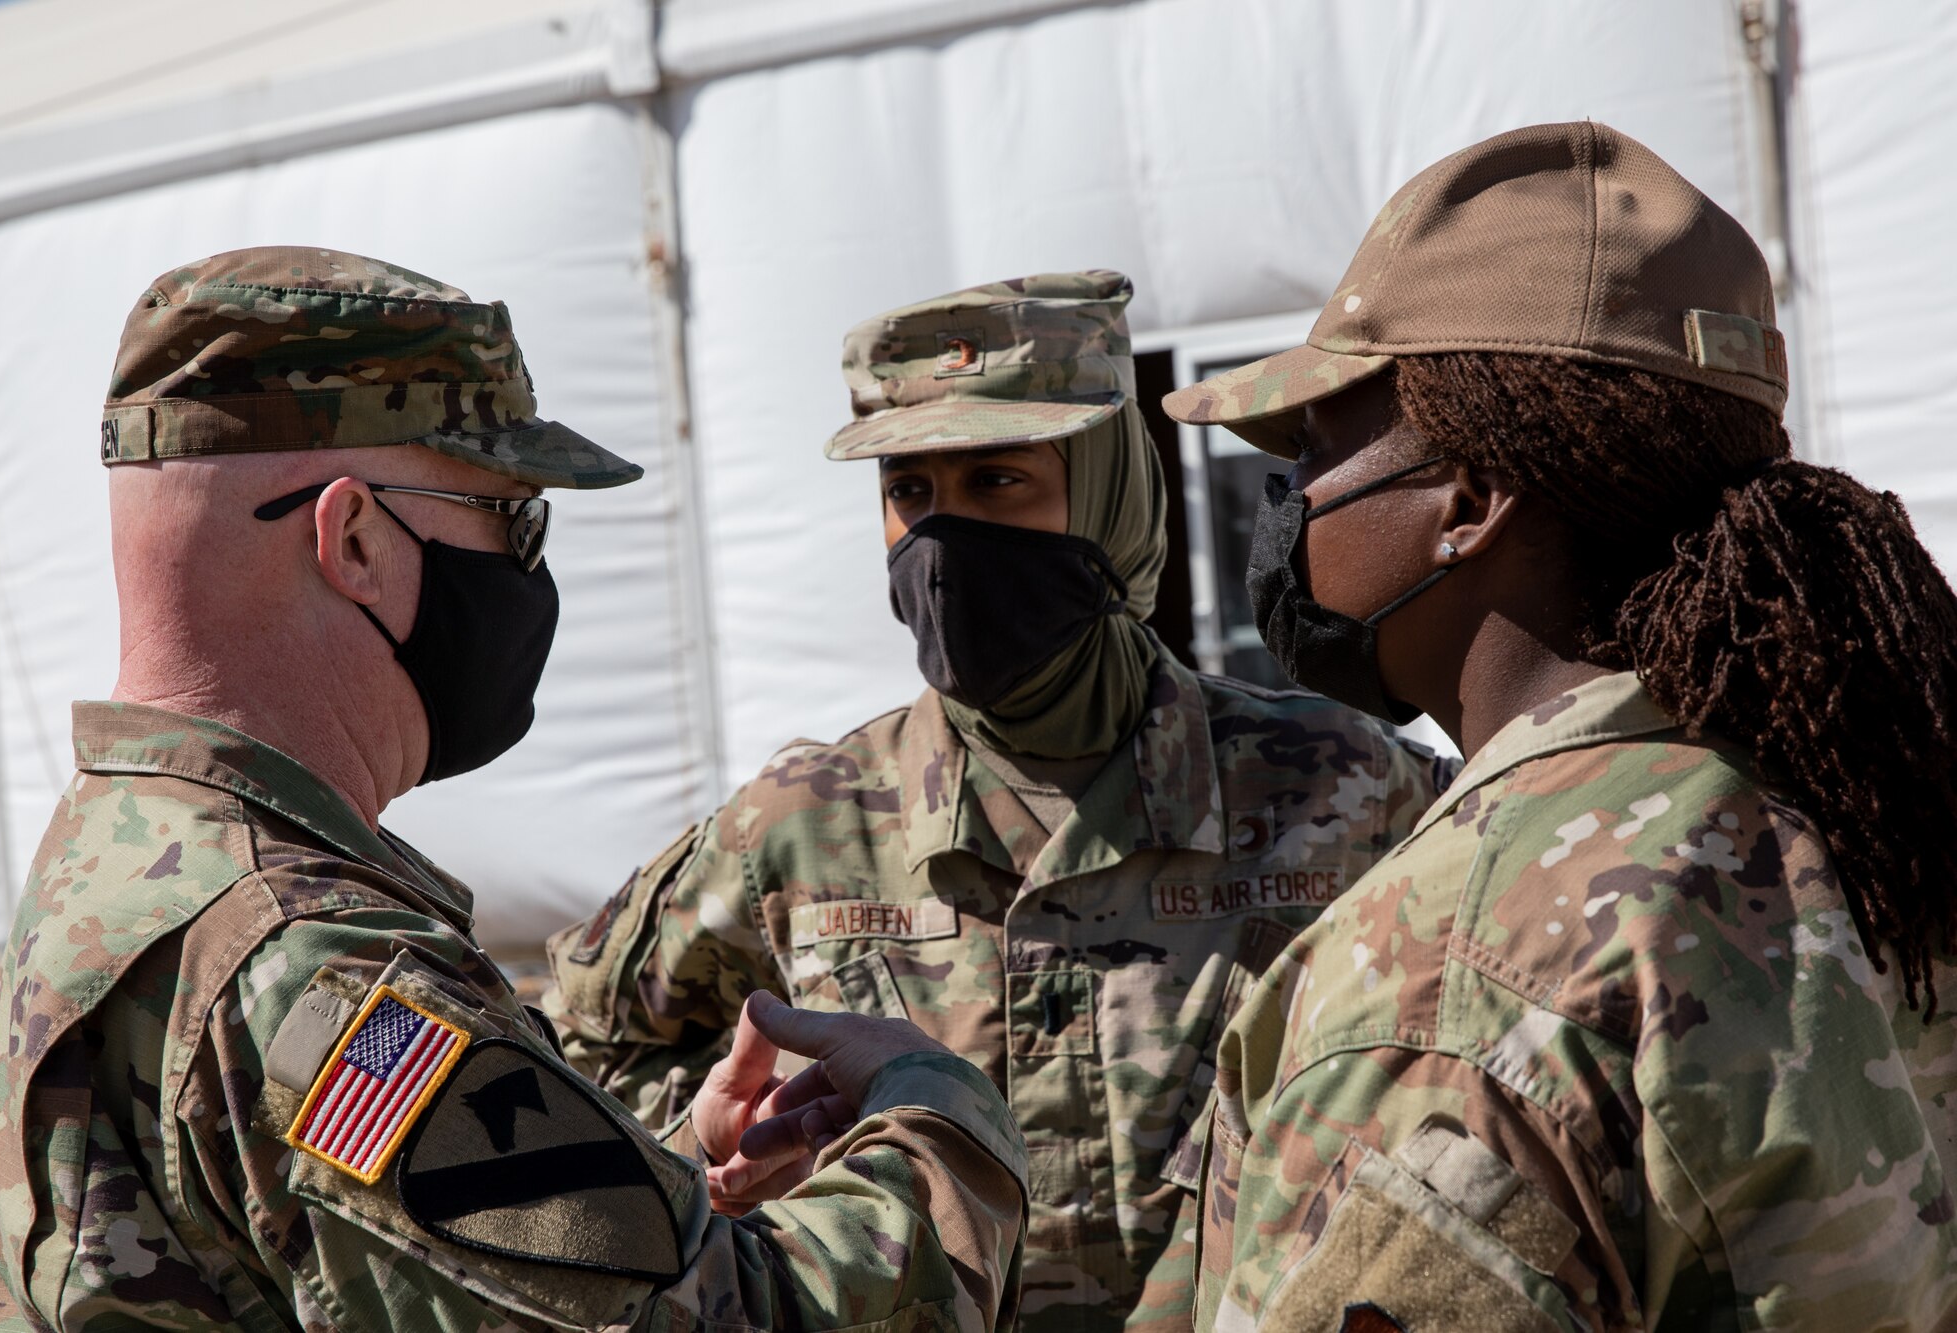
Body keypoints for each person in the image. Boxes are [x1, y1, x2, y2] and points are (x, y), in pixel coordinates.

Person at [0, 247, 1028, 1333]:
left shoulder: (113, 850)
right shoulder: (323, 974)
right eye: (510, 518)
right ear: (356, 540)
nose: (527, 572)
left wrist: (646, 1184)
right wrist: (932, 1110)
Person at [544, 271, 1449, 1333]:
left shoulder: (1347, 786)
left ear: (1110, 492)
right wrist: (715, 1143)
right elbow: (578, 1047)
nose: (943, 544)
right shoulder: (801, 820)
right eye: (909, 494)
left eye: (996, 480)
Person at [1162, 122, 1957, 1331]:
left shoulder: (1452, 957)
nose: (1292, 506)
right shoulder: (1860, 809)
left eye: (1317, 446)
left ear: (1467, 504)